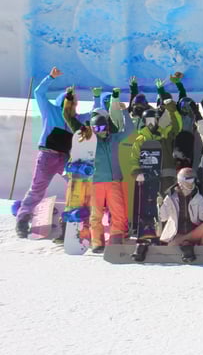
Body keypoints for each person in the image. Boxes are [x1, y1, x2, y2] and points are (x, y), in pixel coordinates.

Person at [62, 87, 133, 251]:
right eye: (97, 129)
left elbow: (130, 130)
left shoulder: (114, 139)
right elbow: (68, 117)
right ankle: (97, 241)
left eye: (103, 128)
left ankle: (116, 237)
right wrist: (69, 98)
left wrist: (125, 112)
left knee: (119, 212)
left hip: (114, 181)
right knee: (96, 214)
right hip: (95, 182)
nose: (101, 132)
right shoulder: (88, 140)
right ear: (92, 129)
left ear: (107, 128)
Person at [15, 68, 79, 238]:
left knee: (75, 186)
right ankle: (22, 219)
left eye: (73, 102)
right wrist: (51, 77)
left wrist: (99, 100)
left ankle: (69, 221)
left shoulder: (75, 118)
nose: (71, 104)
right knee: (37, 189)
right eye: (69, 101)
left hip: (64, 158)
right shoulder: (50, 110)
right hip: (47, 155)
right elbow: (39, 92)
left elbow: (93, 118)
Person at [153, 167, 203, 263]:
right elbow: (163, 218)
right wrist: (160, 206)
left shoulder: (198, 197)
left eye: (193, 180)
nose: (191, 183)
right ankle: (187, 246)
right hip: (176, 236)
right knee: (174, 243)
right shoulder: (170, 198)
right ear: (180, 182)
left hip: (192, 234)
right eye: (189, 180)